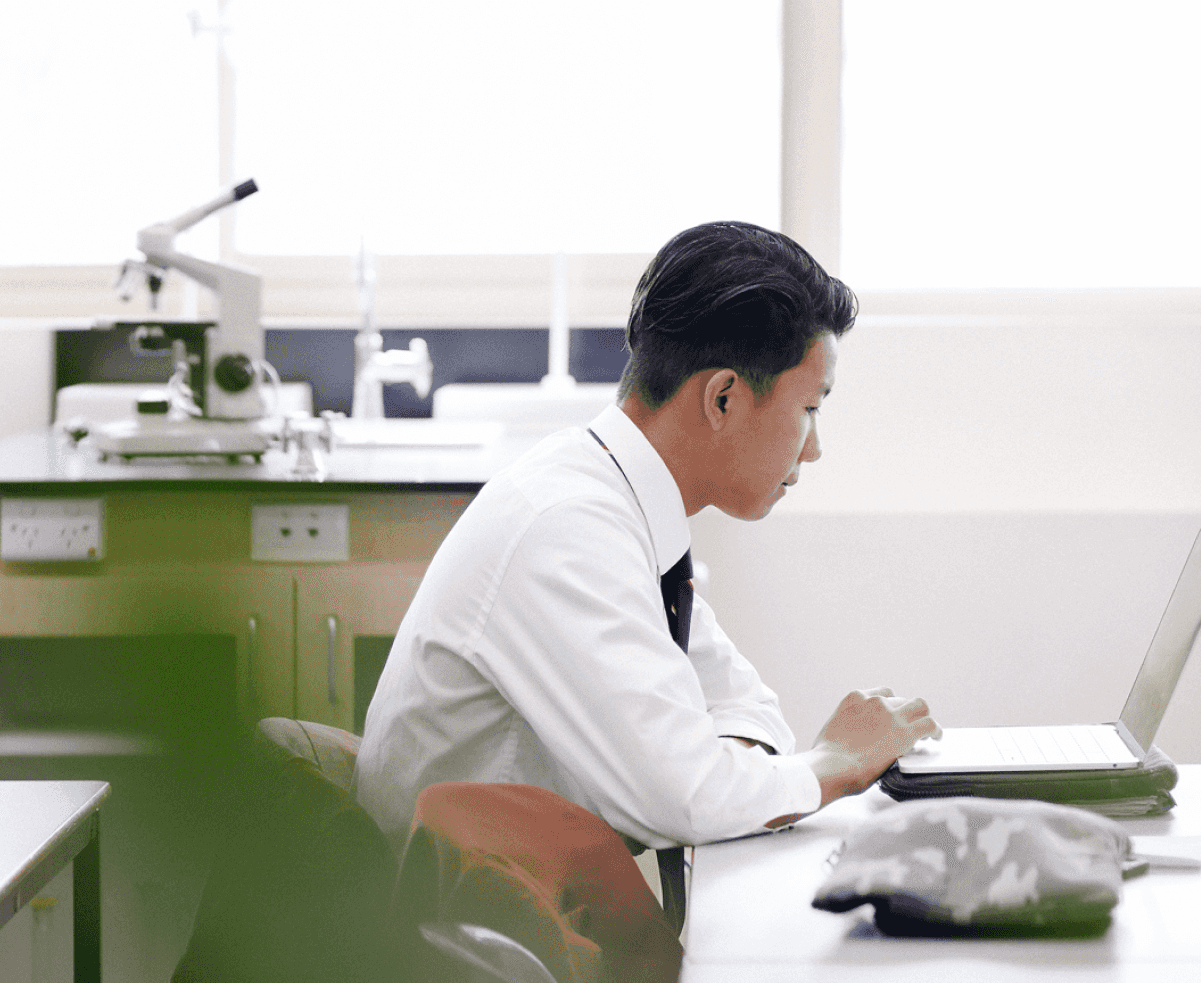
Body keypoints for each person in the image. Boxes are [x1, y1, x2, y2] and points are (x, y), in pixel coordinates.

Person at [355, 221, 941, 850]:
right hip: (454, 925)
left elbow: (748, 708)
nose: (816, 448)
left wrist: (727, 773)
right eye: (811, 409)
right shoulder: (567, 529)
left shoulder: (621, 504)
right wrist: (838, 762)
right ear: (723, 399)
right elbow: (687, 801)